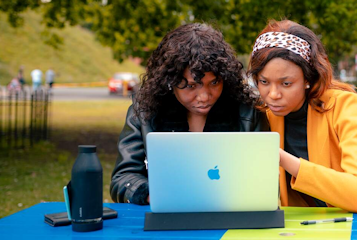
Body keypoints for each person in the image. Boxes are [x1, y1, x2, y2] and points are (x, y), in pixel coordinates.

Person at [248, 20, 357, 212]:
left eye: (286, 83)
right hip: (316, 225)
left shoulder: (345, 106)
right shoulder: (262, 113)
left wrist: (283, 159)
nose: (273, 94)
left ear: (308, 78)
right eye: (264, 81)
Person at [110, 23, 269, 205]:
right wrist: (152, 195)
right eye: (191, 86)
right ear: (170, 81)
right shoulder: (145, 110)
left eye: (215, 82)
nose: (204, 96)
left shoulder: (248, 111)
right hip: (166, 219)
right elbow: (123, 179)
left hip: (232, 214)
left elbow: (262, 177)